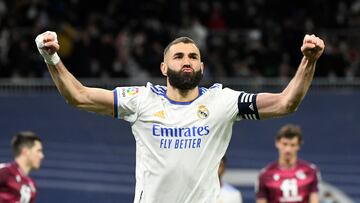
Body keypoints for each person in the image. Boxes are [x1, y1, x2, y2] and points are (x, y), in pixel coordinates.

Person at [34, 30, 324, 203]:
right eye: (179, 56)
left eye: (193, 57)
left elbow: (286, 102)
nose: (187, 61)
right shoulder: (141, 100)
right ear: (163, 67)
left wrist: (308, 61)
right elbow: (79, 96)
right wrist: (52, 58)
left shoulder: (223, 101)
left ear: (201, 67)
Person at [255, 124, 321, 203]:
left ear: (299, 146)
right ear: (277, 143)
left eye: (292, 145)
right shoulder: (265, 175)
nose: (288, 149)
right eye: (285, 144)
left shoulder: (311, 171)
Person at [0, 131, 44, 203]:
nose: (41, 156)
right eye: (38, 151)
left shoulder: (31, 185)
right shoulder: (4, 172)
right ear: (25, 151)